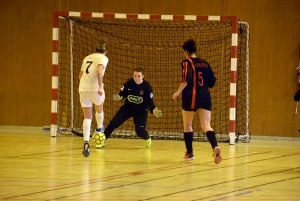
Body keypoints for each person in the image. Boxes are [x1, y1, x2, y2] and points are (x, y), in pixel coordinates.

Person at [172, 39, 222, 164]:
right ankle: (215, 146)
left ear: (186, 51)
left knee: (188, 125)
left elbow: (186, 79)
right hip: (205, 97)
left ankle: (190, 153)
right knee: (206, 125)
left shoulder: (186, 62)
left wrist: (177, 92)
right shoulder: (205, 63)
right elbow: (213, 80)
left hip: (190, 97)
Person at [96, 67, 162, 149]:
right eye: (135, 76)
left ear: (143, 76)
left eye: (138, 76)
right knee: (114, 123)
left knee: (139, 131)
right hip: (128, 108)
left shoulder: (147, 87)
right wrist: (119, 97)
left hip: (141, 111)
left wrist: (153, 109)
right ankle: (102, 140)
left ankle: (147, 137)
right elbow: (122, 94)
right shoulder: (128, 84)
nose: (136, 78)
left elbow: (150, 101)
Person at [79, 40, 109, 157]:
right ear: (105, 51)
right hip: (95, 88)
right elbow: (99, 70)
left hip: (83, 88)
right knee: (99, 109)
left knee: (87, 117)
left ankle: (86, 142)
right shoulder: (103, 58)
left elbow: (80, 75)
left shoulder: (87, 58)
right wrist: (100, 86)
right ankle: (99, 128)